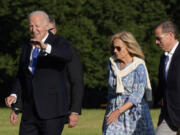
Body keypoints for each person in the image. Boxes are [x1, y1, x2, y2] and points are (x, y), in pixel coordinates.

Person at [9, 16, 84, 129]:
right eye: (32, 26)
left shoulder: (64, 48)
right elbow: (24, 76)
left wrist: (74, 111)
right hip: (29, 112)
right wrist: (16, 104)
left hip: (53, 110)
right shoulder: (27, 45)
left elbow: (76, 80)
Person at [102, 31, 155, 135]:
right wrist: (108, 114)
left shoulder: (138, 66)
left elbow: (137, 94)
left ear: (128, 47)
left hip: (134, 112)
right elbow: (110, 93)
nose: (115, 51)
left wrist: (119, 111)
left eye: (118, 48)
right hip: (114, 111)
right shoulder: (112, 64)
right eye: (113, 48)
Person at [154, 21, 180, 135]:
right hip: (168, 116)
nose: (156, 42)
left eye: (159, 38)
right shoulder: (163, 58)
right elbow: (162, 86)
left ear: (170, 35)